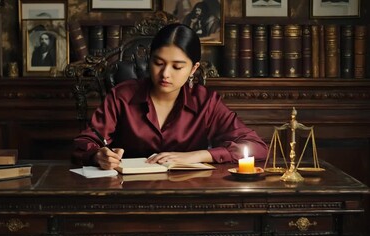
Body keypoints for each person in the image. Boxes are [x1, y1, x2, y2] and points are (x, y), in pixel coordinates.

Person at [72, 23, 268, 170]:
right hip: (128, 191)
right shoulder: (122, 96)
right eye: (158, 63)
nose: (165, 73)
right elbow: (83, 143)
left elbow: (257, 148)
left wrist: (197, 156)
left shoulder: (205, 102)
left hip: (189, 192)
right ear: (149, 60)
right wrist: (98, 155)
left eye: (177, 67)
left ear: (193, 68)